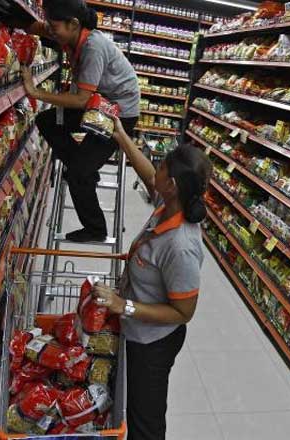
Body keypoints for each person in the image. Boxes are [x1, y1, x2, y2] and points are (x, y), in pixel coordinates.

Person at [91, 117, 212, 440]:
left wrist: (124, 306)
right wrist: (121, 135)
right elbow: (146, 174)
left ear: (171, 184)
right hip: (136, 330)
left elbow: (183, 312)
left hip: (153, 343)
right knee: (131, 402)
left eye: (161, 166)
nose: (154, 168)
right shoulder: (167, 205)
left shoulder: (181, 245)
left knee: (145, 422)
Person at [23, 0, 140, 243]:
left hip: (116, 115)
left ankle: (95, 228)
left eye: (54, 26)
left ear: (74, 24)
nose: (51, 30)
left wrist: (36, 93)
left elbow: (80, 100)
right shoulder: (70, 33)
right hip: (97, 106)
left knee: (76, 175)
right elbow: (38, 27)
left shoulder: (93, 47)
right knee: (47, 120)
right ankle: (85, 169)